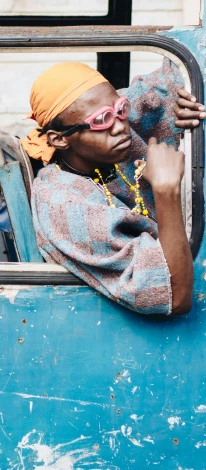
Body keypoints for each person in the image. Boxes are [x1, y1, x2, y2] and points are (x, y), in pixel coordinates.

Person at [21, 59, 204, 316]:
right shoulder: (65, 207)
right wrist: (166, 189)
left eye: (119, 110)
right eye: (102, 121)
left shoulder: (112, 133)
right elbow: (175, 298)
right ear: (59, 139)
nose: (120, 126)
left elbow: (182, 71)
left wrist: (194, 98)